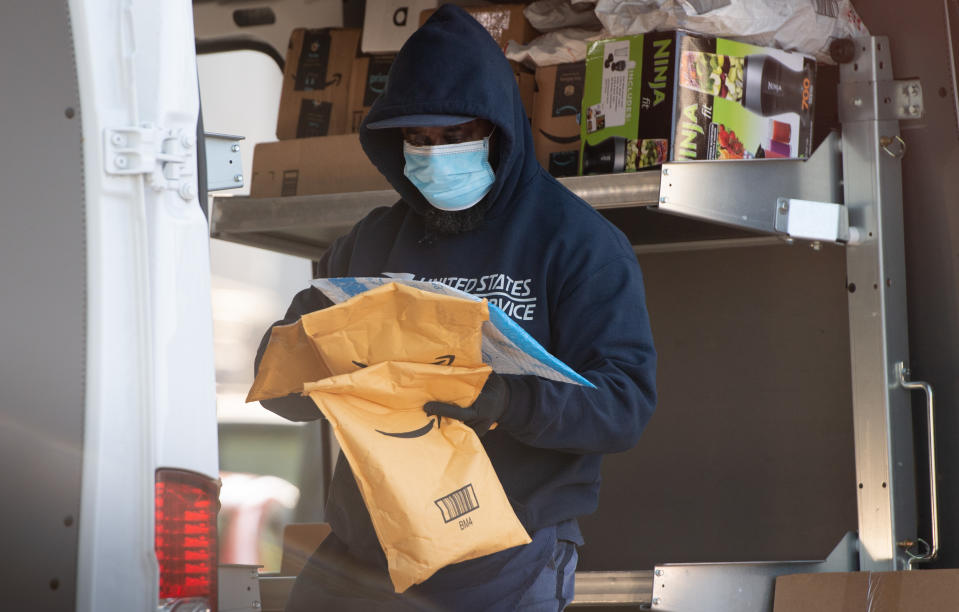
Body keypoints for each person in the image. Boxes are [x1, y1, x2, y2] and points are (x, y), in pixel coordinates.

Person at [255, 5, 657, 610]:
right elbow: (289, 399)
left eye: (455, 136)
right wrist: (302, 345)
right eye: (418, 139)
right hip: (365, 545)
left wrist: (505, 399)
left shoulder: (578, 243)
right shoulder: (368, 242)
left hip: (503, 546)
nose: (435, 154)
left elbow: (623, 406)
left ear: (498, 132)